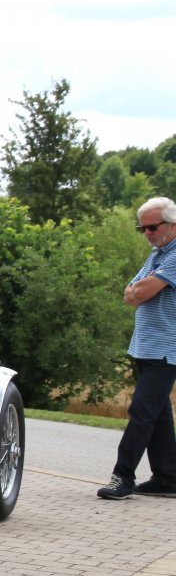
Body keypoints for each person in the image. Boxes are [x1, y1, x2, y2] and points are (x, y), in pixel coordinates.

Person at [97, 197, 176, 500]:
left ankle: (123, 477)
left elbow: (140, 290)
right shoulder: (158, 254)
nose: (147, 233)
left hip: (166, 349)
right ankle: (168, 478)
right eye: (142, 228)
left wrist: (143, 288)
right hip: (146, 346)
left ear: (172, 224)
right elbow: (129, 294)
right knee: (158, 414)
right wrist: (142, 288)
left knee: (141, 411)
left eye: (152, 227)